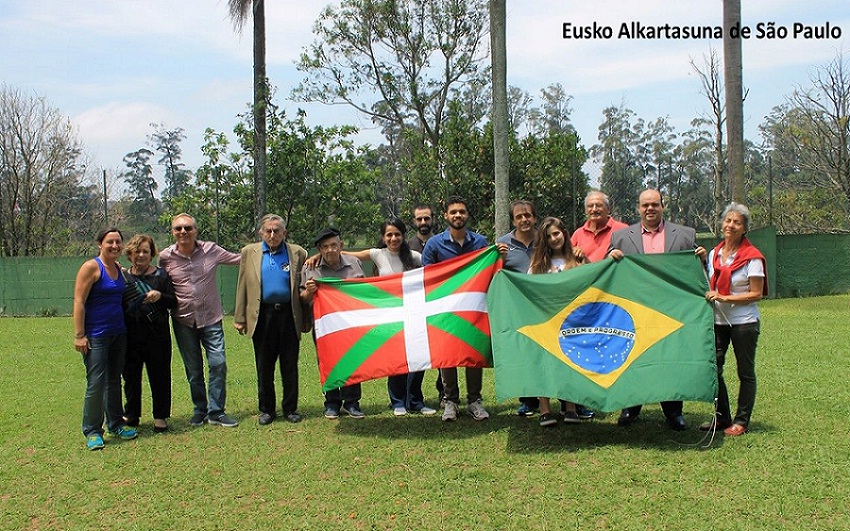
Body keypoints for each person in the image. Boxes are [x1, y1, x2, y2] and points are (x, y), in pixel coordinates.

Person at [608, 189, 706, 431]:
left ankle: (674, 412)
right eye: (645, 205)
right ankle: (630, 407)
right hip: (634, 310)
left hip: (671, 311)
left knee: (670, 359)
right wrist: (610, 256)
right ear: (638, 208)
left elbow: (695, 273)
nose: (650, 209)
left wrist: (702, 259)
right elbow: (607, 272)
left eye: (654, 204)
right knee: (633, 358)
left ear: (663, 206)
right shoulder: (620, 237)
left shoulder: (685, 235)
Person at [330, 218, 437, 417]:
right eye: (389, 234)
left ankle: (415, 400)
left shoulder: (414, 257)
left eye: (397, 234)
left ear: (403, 235)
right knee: (395, 357)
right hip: (389, 315)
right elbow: (343, 254)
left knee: (417, 356)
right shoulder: (377, 254)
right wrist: (316, 257)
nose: (393, 238)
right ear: (383, 237)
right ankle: (397, 401)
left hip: (413, 314)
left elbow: (436, 271)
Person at [159, 213, 241, 428]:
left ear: (195, 230)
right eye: (178, 228)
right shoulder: (165, 257)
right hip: (183, 320)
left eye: (188, 228)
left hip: (211, 319)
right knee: (193, 370)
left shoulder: (211, 250)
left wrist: (268, 248)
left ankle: (217, 412)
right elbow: (150, 274)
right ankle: (200, 410)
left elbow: (240, 258)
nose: (183, 232)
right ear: (173, 232)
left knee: (218, 363)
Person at [421, 196, 493, 422]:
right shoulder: (434, 244)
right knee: (448, 355)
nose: (458, 216)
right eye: (453, 212)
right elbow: (427, 277)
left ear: (467, 215)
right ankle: (450, 401)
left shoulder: (481, 242)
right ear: (445, 216)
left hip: (473, 308)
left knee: (473, 352)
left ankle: (474, 401)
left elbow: (488, 270)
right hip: (445, 309)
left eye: (461, 212)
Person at [234, 215, 308, 426]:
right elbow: (242, 286)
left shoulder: (297, 252)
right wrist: (240, 317)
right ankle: (266, 410)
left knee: (289, 365)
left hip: (289, 315)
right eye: (268, 231)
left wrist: (306, 318)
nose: (272, 235)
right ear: (261, 232)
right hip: (262, 317)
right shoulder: (250, 252)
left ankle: (290, 409)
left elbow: (304, 283)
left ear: (284, 233)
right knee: (264, 366)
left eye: (277, 231)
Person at [703, 203, 766, 436]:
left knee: (745, 371)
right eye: (728, 220)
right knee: (714, 368)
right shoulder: (714, 253)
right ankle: (722, 417)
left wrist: (725, 297)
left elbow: (756, 293)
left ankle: (741, 420)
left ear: (744, 228)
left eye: (736, 222)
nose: (731, 225)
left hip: (744, 323)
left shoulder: (753, 258)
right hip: (718, 321)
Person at [73, 227, 138, 450]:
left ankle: (116, 423)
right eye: (109, 242)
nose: (114, 246)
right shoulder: (91, 267)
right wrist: (80, 335)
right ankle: (92, 431)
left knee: (113, 381)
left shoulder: (118, 269)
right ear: (100, 244)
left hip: (118, 334)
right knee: (96, 383)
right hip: (95, 336)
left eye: (118, 242)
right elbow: (79, 302)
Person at [300, 227, 367, 419]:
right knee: (326, 361)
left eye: (333, 245)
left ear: (341, 246)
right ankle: (332, 403)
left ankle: (352, 402)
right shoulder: (309, 268)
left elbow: (365, 290)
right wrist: (310, 291)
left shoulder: (355, 263)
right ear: (319, 249)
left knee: (352, 360)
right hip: (324, 324)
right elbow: (302, 297)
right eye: (325, 247)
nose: (330, 250)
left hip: (350, 322)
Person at [527, 217, 588, 427]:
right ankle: (545, 410)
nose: (554, 239)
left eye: (557, 233)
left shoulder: (577, 259)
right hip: (545, 323)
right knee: (545, 365)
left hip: (573, 323)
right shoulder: (537, 265)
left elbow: (593, 284)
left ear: (564, 233)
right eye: (549, 236)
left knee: (570, 363)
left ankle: (570, 408)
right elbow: (529, 291)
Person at [121, 234, 177, 433]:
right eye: (137, 252)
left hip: (157, 334)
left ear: (152, 253)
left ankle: (160, 416)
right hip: (131, 335)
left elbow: (173, 302)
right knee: (131, 376)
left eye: (145, 251)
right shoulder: (124, 277)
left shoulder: (161, 276)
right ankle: (132, 414)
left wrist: (160, 296)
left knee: (160, 376)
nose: (141, 255)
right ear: (130, 254)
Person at [496, 199, 541, 417]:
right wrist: (500, 259)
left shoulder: (546, 239)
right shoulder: (503, 244)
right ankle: (528, 399)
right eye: (519, 216)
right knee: (524, 354)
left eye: (528, 215)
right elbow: (494, 275)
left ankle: (564, 397)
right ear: (513, 220)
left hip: (546, 306)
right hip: (519, 310)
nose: (524, 220)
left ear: (535, 217)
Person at [571, 190, 628, 263]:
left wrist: (620, 255)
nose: (594, 209)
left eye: (599, 205)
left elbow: (632, 257)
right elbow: (565, 259)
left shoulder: (623, 229)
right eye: (590, 206)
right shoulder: (578, 234)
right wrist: (574, 253)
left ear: (608, 209)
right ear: (585, 211)